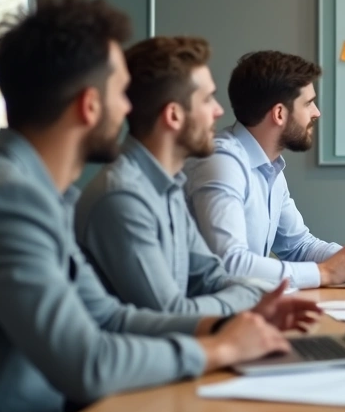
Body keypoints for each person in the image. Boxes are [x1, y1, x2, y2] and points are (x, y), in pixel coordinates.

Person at [0, 0, 313, 412]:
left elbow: (108, 317)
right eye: (120, 93)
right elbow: (88, 363)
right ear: (89, 106)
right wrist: (223, 348)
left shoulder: (36, 193)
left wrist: (227, 324)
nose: (130, 108)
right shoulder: (3, 200)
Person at [184, 50, 345, 289]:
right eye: (308, 103)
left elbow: (298, 246)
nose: (317, 112)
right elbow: (230, 264)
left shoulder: (269, 166)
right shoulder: (222, 162)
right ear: (279, 113)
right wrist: (324, 273)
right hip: (210, 319)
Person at [75, 36, 264, 313]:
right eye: (208, 99)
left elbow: (210, 278)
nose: (219, 111)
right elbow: (171, 314)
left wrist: (255, 293)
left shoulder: (170, 186)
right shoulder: (123, 197)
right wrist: (253, 296)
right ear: (174, 115)